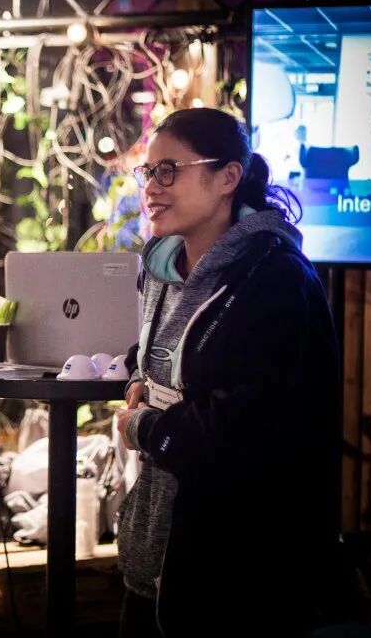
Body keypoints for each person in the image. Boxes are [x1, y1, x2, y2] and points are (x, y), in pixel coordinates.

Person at [114, 108, 340, 637]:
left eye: (169, 170)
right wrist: (140, 378)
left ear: (228, 178)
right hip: (155, 565)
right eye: (147, 172)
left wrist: (146, 428)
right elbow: (173, 358)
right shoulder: (164, 268)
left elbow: (252, 428)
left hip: (240, 577)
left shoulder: (275, 279)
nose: (152, 187)